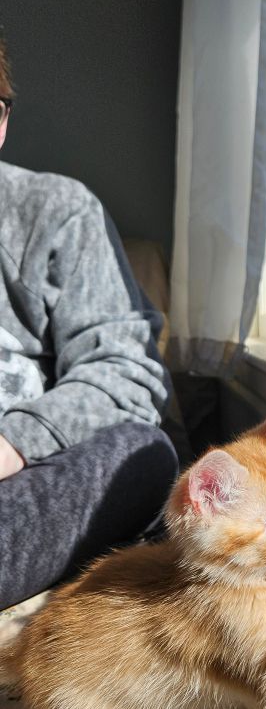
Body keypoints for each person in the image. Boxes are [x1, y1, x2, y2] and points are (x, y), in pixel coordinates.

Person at [0, 38, 178, 610]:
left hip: (21, 485)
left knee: (143, 453)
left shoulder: (56, 213)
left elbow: (128, 376)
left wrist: (12, 442)